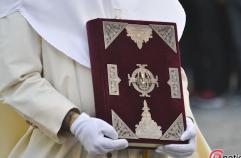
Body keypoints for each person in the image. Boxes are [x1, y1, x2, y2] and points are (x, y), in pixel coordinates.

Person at [0, 0, 210, 158]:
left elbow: (170, 70)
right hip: (64, 148)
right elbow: (18, 81)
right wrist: (75, 122)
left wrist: (183, 122)